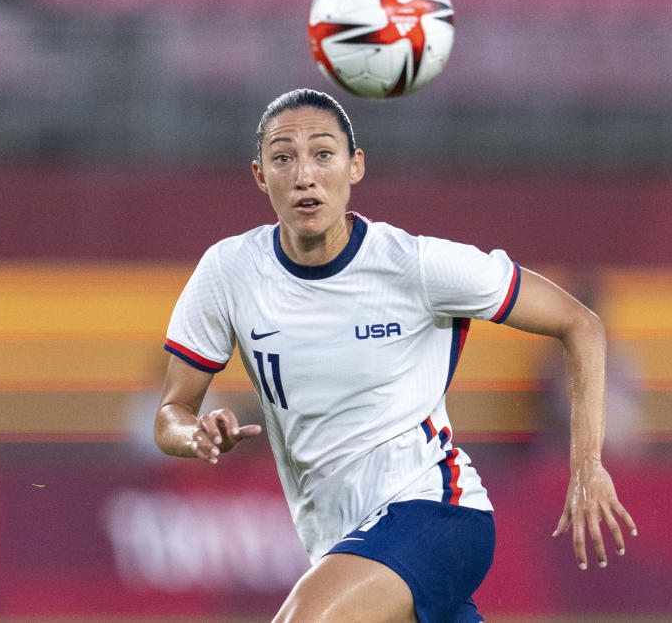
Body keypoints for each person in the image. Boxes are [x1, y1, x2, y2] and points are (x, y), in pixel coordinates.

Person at [154, 88, 637, 623]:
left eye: (322, 153)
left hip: (438, 511)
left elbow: (581, 323)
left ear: (355, 166)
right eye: (283, 157)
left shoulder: (417, 266)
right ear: (259, 175)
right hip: (343, 541)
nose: (304, 175)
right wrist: (193, 434)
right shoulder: (228, 272)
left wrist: (588, 465)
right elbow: (171, 415)